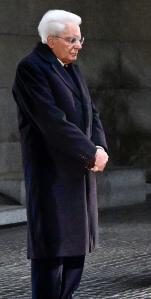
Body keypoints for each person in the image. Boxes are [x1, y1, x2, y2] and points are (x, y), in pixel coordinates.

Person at [12, 10, 108, 299]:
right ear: (51, 40)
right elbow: (52, 122)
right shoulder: (31, 68)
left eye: (80, 39)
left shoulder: (70, 67)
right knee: (52, 253)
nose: (79, 45)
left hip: (78, 173)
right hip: (52, 176)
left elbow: (92, 112)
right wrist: (89, 152)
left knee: (76, 251)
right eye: (72, 39)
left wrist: (100, 147)